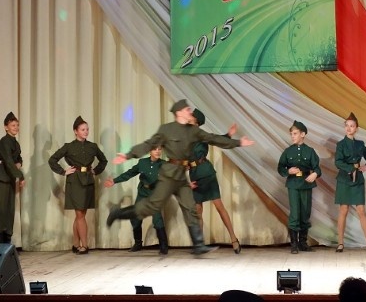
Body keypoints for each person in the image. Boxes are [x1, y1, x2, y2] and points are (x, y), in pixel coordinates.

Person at [106, 99, 254, 256]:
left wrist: (238, 142)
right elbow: (149, 144)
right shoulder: (166, 129)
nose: (190, 111)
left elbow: (213, 138)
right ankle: (117, 213)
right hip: (169, 174)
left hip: (182, 176)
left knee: (190, 207)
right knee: (152, 206)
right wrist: (128, 155)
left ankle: (198, 245)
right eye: (187, 109)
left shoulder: (193, 131)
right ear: (179, 113)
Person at [48, 115, 108, 254]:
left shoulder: (92, 146)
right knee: (80, 214)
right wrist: (63, 171)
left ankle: (75, 244)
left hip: (88, 181)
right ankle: (84, 245)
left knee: (80, 215)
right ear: (75, 131)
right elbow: (52, 160)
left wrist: (95, 171)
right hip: (75, 182)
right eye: (82, 129)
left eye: (87, 129)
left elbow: (103, 160)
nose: (86, 132)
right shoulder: (68, 147)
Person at [187, 108, 241, 254]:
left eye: (191, 115)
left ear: (196, 121)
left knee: (219, 206)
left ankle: (233, 238)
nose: (188, 116)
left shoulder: (201, 134)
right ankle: (199, 245)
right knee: (198, 210)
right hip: (194, 174)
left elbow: (216, 139)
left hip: (206, 173)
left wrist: (228, 135)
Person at [104, 145, 169, 254]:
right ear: (150, 151)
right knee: (136, 218)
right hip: (143, 193)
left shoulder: (164, 164)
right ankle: (138, 243)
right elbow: (130, 173)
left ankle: (163, 246)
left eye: (160, 149)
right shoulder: (142, 163)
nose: (158, 151)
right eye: (155, 149)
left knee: (157, 218)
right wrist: (114, 181)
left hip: (155, 195)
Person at [334, 112, 366, 253]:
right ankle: (340, 243)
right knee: (344, 210)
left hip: (357, 179)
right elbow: (338, 162)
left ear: (356, 128)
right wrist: (351, 168)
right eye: (346, 125)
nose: (349, 128)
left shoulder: (360, 144)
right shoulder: (340, 144)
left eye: (352, 126)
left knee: (361, 210)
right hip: (344, 179)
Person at [278, 120, 321, 254]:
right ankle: (294, 244)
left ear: (303, 134)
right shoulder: (288, 151)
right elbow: (280, 167)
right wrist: (288, 171)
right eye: (291, 134)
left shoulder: (310, 151)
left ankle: (303, 243)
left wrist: (315, 174)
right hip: (293, 184)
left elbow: (317, 168)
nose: (292, 136)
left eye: (295, 133)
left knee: (305, 213)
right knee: (295, 214)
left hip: (306, 184)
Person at [0, 112, 25, 244]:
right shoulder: (5, 141)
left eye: (17, 125)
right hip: (1, 178)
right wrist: (20, 176)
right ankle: (1, 245)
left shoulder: (15, 143)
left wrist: (20, 163)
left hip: (9, 178)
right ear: (6, 127)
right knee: (1, 210)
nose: (16, 127)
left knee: (9, 211)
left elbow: (18, 158)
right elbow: (9, 161)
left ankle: (7, 244)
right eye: (13, 125)